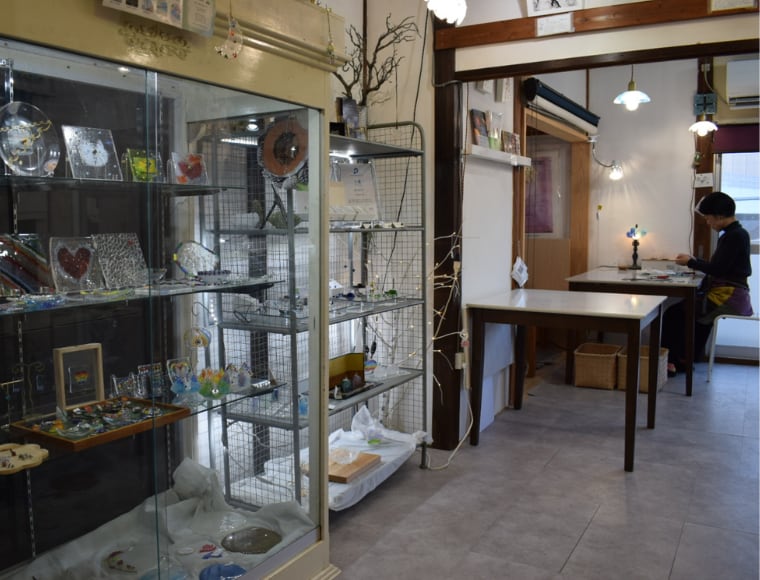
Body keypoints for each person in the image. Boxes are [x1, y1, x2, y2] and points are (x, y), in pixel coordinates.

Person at [662, 191, 753, 376]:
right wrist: (695, 261)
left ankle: (672, 361)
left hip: (729, 296)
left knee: (675, 313)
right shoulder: (735, 233)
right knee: (688, 312)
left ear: (719, 216)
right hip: (731, 293)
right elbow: (720, 266)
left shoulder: (734, 236)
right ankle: (683, 359)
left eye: (708, 218)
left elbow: (718, 269)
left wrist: (691, 262)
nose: (707, 222)